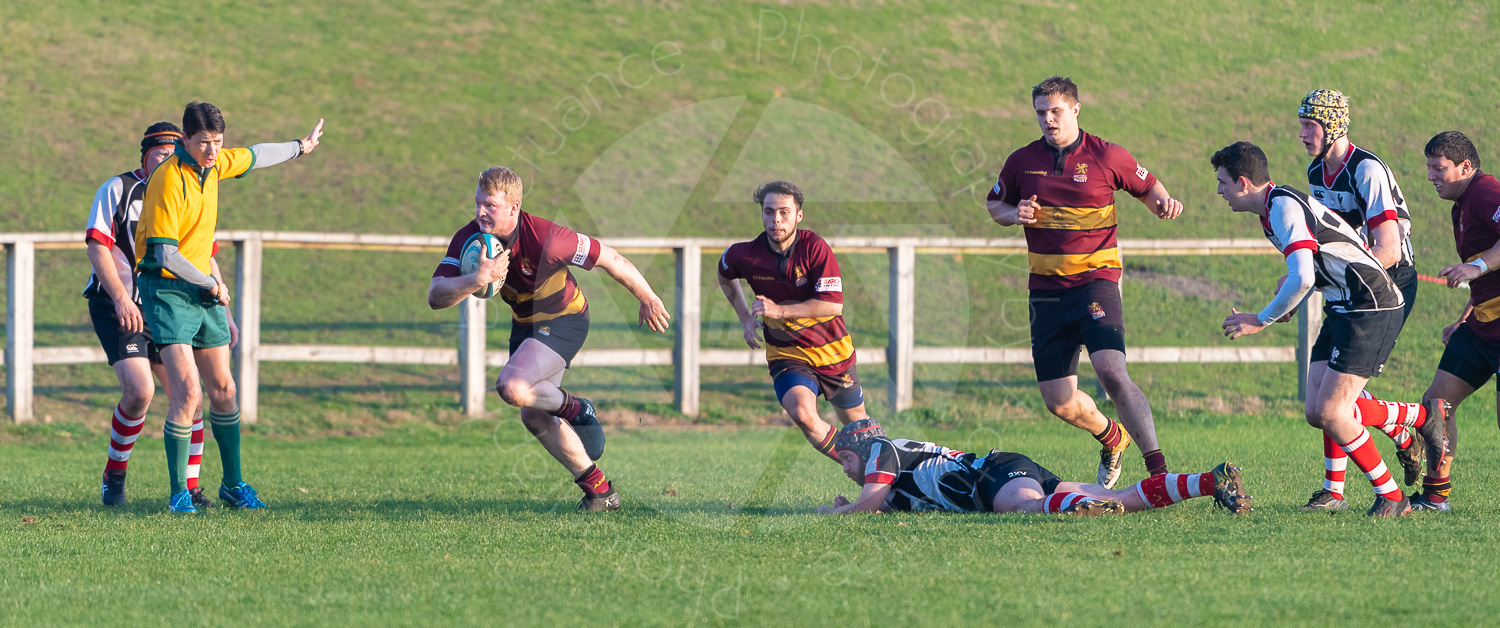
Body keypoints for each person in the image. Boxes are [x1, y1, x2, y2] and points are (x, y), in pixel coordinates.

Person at [1212, 141, 1446, 517]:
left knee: (1334, 411)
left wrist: (1261, 319)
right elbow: (1313, 270)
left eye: (1222, 182)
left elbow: (1303, 276)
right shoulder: (1273, 208)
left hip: (1369, 305)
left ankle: (1391, 495)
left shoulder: (1283, 207)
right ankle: (1417, 418)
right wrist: (1285, 305)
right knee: (1316, 410)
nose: (1218, 191)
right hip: (1344, 305)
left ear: (1242, 183)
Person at [428, 166, 671, 511]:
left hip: (565, 318)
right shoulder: (470, 239)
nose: (481, 212)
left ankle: (577, 408)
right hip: (525, 324)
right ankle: (600, 491)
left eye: (490, 206)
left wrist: (647, 297)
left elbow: (610, 258)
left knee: (512, 387)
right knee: (533, 414)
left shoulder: (547, 237)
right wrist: (476, 278)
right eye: (478, 203)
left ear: (513, 208)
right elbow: (436, 296)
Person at [985, 76, 1185, 488]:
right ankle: (1113, 437)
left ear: (1075, 109)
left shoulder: (1107, 155)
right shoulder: (1022, 160)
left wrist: (1162, 204)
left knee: (1112, 371)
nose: (1048, 119)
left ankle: (1158, 472)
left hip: (1096, 282)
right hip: (1045, 291)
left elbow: (1149, 187)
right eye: (1041, 112)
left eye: (1055, 111)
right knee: (1058, 402)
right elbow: (995, 202)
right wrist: (1013, 213)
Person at [134, 102, 324, 513]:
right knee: (187, 393)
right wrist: (214, 283)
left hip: (202, 285)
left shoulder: (215, 164)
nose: (212, 151)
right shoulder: (168, 179)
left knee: (225, 389)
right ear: (185, 140)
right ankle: (178, 493)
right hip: (166, 289)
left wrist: (301, 146)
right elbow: (165, 255)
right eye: (203, 143)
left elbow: (256, 155)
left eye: (218, 142)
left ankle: (234, 485)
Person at [1296, 89, 1434, 509]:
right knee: (1321, 395)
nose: (1302, 133)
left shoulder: (1366, 169)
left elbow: (1388, 248)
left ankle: (1417, 421)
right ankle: (1344, 482)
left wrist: (1349, 277)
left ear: (1333, 126)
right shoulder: (1317, 172)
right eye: (1301, 124)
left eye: (1310, 125)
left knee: (1336, 401)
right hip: (1351, 288)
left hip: (1386, 287)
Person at [89, 122, 238, 507]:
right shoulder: (118, 189)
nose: (167, 160)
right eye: (160, 154)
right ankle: (115, 474)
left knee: (188, 393)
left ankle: (190, 489)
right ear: (145, 156)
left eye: (173, 153)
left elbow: (203, 255)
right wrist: (121, 297)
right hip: (123, 305)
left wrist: (226, 311)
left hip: (172, 303)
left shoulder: (186, 185)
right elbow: (98, 246)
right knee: (140, 391)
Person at [717, 181, 869, 462]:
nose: (776, 219)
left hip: (833, 351)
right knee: (802, 413)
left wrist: (779, 311)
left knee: (860, 428)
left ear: (799, 215)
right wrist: (745, 319)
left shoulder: (815, 248)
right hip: (786, 355)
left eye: (784, 212)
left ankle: (888, 476)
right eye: (769, 211)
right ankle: (858, 466)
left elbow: (833, 305)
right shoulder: (746, 254)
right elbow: (724, 271)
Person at [817, 419, 1249, 515]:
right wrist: (856, 504)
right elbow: (883, 503)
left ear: (860, 448)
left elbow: (870, 501)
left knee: (1023, 510)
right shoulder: (891, 463)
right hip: (1005, 467)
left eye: (845, 459)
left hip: (988, 477)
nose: (845, 468)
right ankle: (1208, 482)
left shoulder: (880, 450)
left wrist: (838, 513)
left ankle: (1076, 508)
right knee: (1120, 499)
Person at [1417, 131, 1500, 511]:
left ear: (1465, 167)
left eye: (1439, 168)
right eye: (1429, 167)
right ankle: (1436, 498)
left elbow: (1483, 264)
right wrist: (1464, 317)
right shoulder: (1463, 204)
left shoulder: (1484, 192)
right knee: (1436, 404)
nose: (1431, 176)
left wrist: (1475, 266)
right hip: (1481, 327)